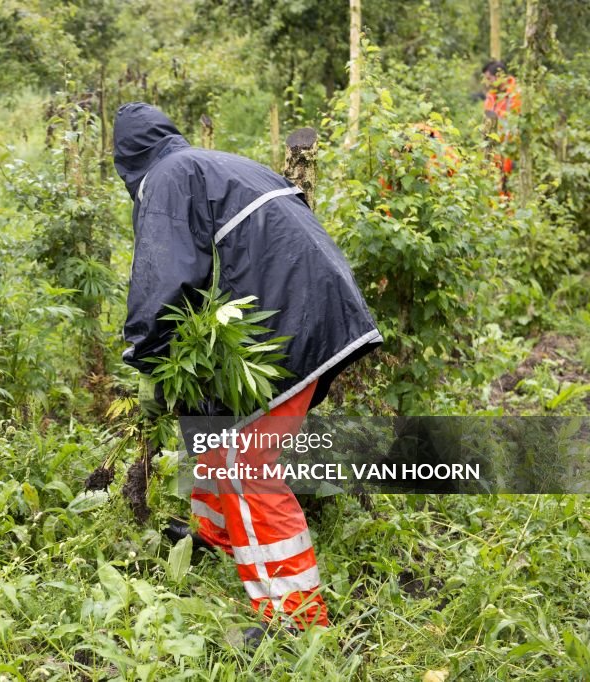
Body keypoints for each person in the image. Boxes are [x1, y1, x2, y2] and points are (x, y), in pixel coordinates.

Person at [113, 102, 382, 641]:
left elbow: (164, 279)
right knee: (212, 430)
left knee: (246, 464)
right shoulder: (214, 163)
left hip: (288, 317)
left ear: (127, 162)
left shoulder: (165, 179)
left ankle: (296, 622)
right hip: (317, 306)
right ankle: (217, 537)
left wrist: (147, 355)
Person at [481, 60, 521, 195]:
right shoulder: (491, 96)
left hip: (512, 149)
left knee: (511, 188)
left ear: (499, 77)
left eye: (489, 79)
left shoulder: (516, 95)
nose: (487, 83)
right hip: (494, 150)